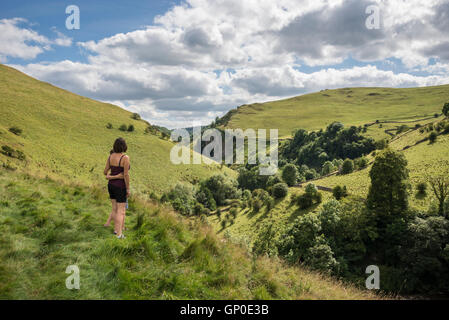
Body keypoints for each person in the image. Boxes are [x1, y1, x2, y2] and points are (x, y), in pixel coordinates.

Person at [103, 138, 130, 239]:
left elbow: (105, 172)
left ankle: (116, 230)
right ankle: (119, 235)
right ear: (124, 146)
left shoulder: (110, 156)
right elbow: (126, 175)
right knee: (121, 210)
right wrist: (128, 189)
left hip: (111, 185)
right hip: (120, 186)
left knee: (114, 208)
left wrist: (112, 176)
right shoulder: (125, 157)